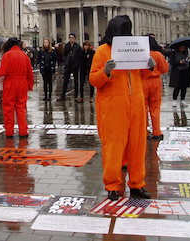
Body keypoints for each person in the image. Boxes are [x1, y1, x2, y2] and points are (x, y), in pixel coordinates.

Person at [89, 15, 155, 200]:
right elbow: (93, 79)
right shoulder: (102, 51)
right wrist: (106, 72)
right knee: (113, 147)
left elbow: (141, 76)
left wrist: (149, 67)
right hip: (112, 106)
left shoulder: (135, 49)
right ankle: (112, 184)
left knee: (137, 145)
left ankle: (136, 184)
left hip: (136, 104)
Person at [0, 38, 34, 138]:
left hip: (10, 83)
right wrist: (30, 85)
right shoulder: (24, 56)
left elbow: (2, 72)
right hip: (22, 83)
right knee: (21, 107)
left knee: (8, 107)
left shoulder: (7, 55)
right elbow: (29, 73)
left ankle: (9, 131)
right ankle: (23, 131)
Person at [142, 37, 169, 140]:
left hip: (143, 80)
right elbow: (165, 69)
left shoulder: (141, 55)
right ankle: (157, 131)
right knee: (155, 107)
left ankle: (144, 131)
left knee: (143, 108)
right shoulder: (158, 55)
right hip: (155, 81)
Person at [59, 33, 82, 101]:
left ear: (75, 38)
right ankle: (63, 95)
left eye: (72, 37)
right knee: (65, 81)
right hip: (68, 66)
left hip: (75, 66)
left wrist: (77, 64)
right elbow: (64, 54)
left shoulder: (77, 47)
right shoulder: (67, 46)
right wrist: (66, 61)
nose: (71, 39)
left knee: (76, 81)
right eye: (70, 37)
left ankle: (75, 95)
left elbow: (80, 56)